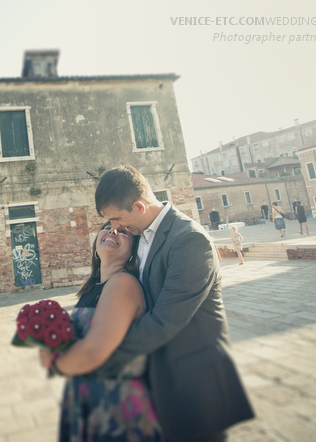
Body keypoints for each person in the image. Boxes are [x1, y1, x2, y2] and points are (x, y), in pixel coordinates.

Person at [75, 166, 253, 441]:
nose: (115, 227)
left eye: (117, 218)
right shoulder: (137, 234)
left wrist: (98, 355)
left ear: (139, 206)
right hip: (159, 383)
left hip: (195, 384)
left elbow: (164, 322)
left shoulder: (189, 240)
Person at [39, 222, 163, 441]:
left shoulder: (123, 283)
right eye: (107, 227)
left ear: (133, 252)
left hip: (116, 406)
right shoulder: (93, 287)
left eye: (123, 232)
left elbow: (93, 352)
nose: (113, 231)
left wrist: (55, 363)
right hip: (88, 399)